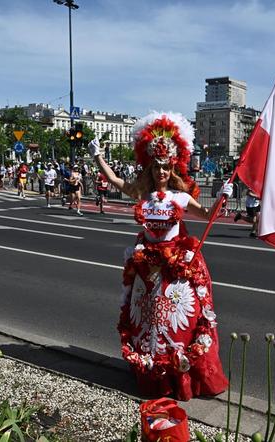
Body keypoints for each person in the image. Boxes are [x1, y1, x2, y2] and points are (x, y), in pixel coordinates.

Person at [88, 112, 230, 401]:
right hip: (147, 268)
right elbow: (115, 181)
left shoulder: (179, 197)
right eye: (156, 168)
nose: (161, 172)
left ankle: (179, 376)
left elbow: (206, 215)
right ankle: (150, 372)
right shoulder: (144, 196)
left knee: (179, 322)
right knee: (148, 320)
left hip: (175, 268)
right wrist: (98, 157)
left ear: (172, 168)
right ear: (150, 169)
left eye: (165, 167)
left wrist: (223, 197)